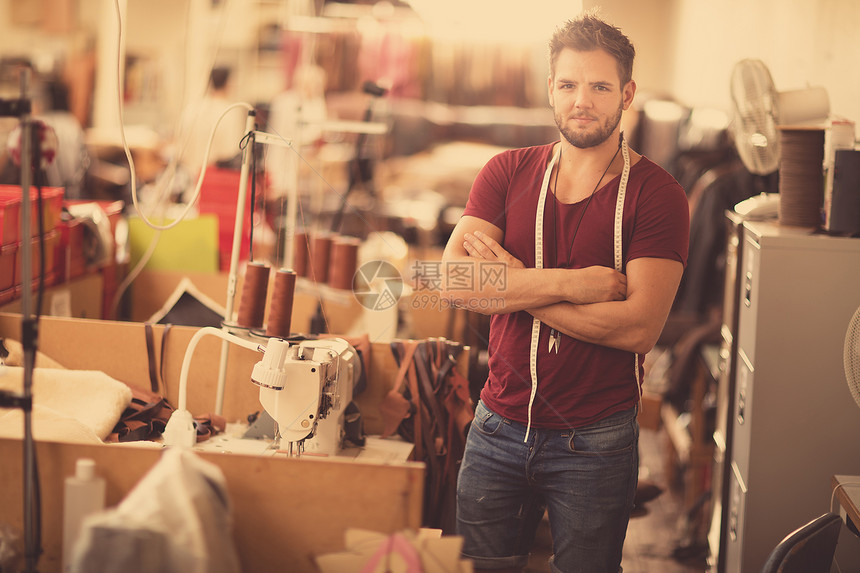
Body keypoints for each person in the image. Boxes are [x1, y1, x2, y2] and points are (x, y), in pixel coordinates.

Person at [440, 11, 690, 573]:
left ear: (627, 94)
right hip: (495, 428)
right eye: (570, 84)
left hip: (596, 443)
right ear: (551, 88)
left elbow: (637, 328)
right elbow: (452, 281)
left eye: (600, 86)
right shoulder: (506, 173)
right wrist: (577, 285)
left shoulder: (657, 195)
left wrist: (511, 284)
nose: (583, 100)